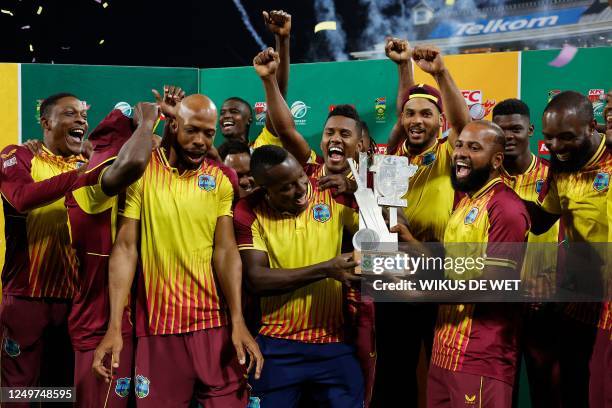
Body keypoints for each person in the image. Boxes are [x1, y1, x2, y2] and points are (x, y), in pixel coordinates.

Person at [93, 94, 263, 407]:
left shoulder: (222, 179)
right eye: (192, 131)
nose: (200, 141)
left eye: (208, 134)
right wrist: (115, 326)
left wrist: (238, 321)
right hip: (158, 332)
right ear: (173, 124)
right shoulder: (143, 173)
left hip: (215, 330)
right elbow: (126, 248)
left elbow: (225, 252)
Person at [394, 120, 527, 408]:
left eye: (474, 147)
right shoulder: (467, 202)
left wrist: (422, 294)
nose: (461, 153)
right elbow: (453, 267)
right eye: (460, 145)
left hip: (481, 354)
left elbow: (494, 285)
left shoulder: (505, 207)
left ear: (496, 160)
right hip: (445, 350)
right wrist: (411, 242)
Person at [68, 87, 181, 407]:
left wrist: (171, 128)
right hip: (101, 327)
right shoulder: (91, 180)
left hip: (144, 322)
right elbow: (132, 165)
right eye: (146, 148)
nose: (151, 154)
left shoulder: (140, 182)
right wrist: (148, 121)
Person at [375, 43, 471, 407]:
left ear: (440, 123)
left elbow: (464, 124)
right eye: (410, 115)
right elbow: (405, 106)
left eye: (426, 115)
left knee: (440, 362)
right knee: (393, 366)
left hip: (437, 265)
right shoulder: (392, 159)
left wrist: (440, 73)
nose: (416, 120)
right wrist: (403, 68)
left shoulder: (451, 152)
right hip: (393, 269)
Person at [234, 145, 365, 407]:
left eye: (301, 178)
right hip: (276, 344)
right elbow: (257, 280)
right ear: (263, 188)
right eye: (286, 187)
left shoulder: (331, 193)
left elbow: (384, 238)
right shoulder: (248, 211)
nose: (301, 189)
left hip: (332, 342)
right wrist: (326, 269)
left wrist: (361, 192)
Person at [526, 90, 611, 407]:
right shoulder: (561, 167)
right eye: (549, 138)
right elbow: (543, 219)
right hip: (581, 300)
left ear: (592, 127)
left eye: (566, 137)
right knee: (575, 385)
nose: (556, 147)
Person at [0, 93, 89, 392]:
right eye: (69, 114)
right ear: (46, 122)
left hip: (73, 300)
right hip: (26, 296)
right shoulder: (19, 155)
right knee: (19, 390)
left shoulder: (87, 163)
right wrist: (80, 175)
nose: (81, 120)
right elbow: (22, 198)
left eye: (83, 115)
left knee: (61, 389)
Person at [492, 98, 561, 407]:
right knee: (499, 389)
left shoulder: (553, 176)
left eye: (516, 129)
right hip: (497, 304)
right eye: (500, 130)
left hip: (544, 304)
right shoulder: (483, 181)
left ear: (531, 130)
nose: (508, 136)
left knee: (548, 390)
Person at [253, 47, 362, 196]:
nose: (335, 139)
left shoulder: (373, 181)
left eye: (344, 134)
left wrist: (356, 189)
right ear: (321, 142)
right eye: (329, 133)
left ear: (359, 145)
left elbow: (393, 215)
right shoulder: (306, 172)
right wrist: (269, 79)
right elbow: (285, 131)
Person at [221, 10, 291, 147]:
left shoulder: (262, 146)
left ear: (249, 120)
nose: (226, 116)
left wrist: (282, 39)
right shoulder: (210, 159)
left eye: (234, 111)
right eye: (222, 113)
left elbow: (278, 94)